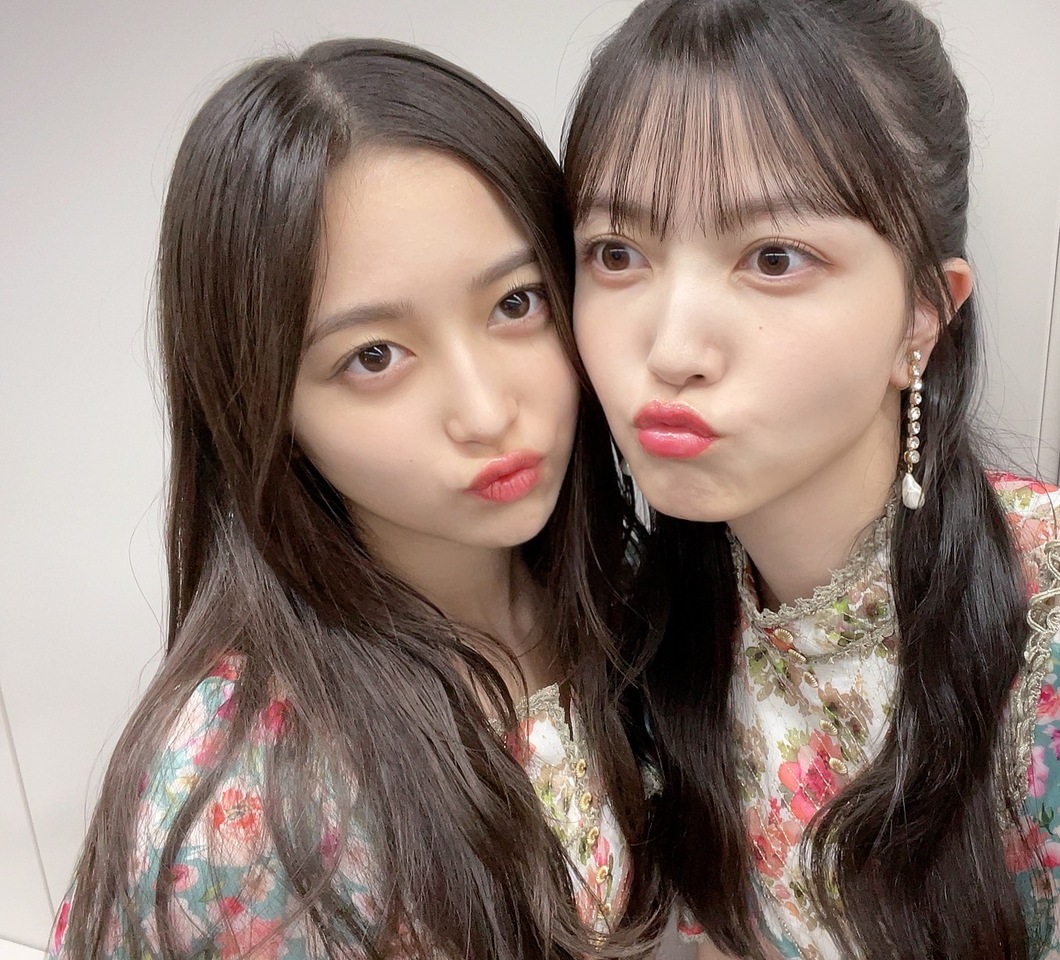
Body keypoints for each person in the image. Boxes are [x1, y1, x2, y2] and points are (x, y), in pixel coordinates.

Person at [562, 1, 1060, 958]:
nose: (671, 348)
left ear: (923, 315)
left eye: (774, 257)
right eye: (617, 254)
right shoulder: (646, 640)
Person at [51, 38, 662, 960]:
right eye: (374, 356)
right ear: (266, 410)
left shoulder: (626, 597)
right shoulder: (243, 794)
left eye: (516, 303)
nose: (486, 411)